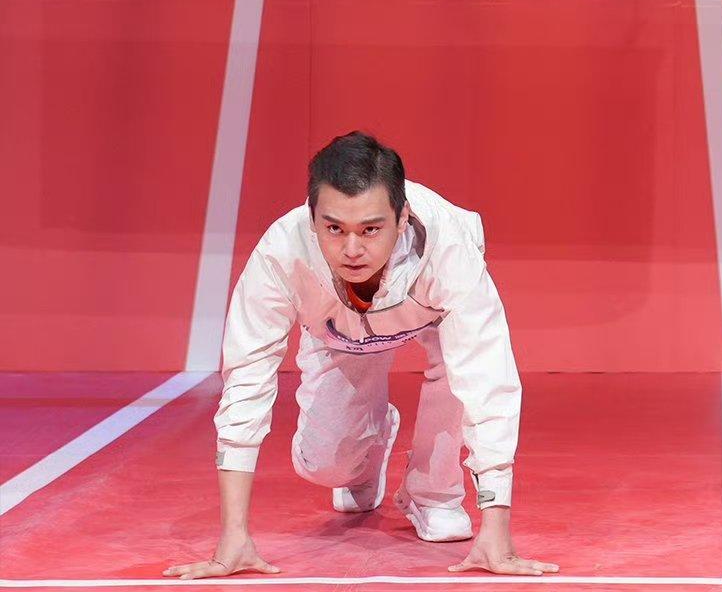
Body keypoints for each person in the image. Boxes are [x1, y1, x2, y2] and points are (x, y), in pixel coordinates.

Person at [165, 132, 555, 579]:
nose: (352, 250)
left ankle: (434, 494)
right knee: (324, 466)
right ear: (312, 219)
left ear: (402, 218)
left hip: (431, 312)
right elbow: (247, 377)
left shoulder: (449, 248)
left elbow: (487, 377)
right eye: (334, 229)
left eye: (371, 229)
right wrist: (233, 535)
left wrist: (497, 527)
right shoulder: (281, 253)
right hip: (338, 329)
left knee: (459, 368)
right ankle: (371, 441)